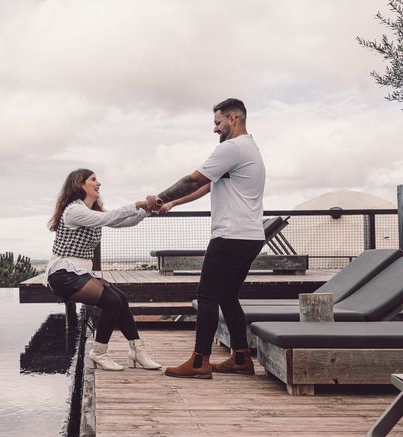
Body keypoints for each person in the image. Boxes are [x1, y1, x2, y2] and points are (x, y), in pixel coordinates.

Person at [145, 98, 265, 379]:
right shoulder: (249, 148)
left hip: (231, 236)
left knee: (207, 295)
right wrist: (173, 204)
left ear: (232, 119)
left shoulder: (232, 148)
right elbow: (208, 185)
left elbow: (195, 179)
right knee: (227, 296)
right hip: (250, 236)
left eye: (217, 122)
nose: (215, 129)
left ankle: (199, 363)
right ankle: (240, 357)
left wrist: (160, 197)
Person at [47, 168, 161, 371]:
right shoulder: (75, 211)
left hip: (79, 273)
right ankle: (99, 353)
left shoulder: (92, 211)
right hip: (63, 273)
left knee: (121, 298)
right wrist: (137, 204)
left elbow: (123, 221)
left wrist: (147, 210)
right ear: (79, 184)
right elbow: (106, 219)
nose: (98, 183)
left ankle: (137, 351)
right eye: (93, 180)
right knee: (112, 301)